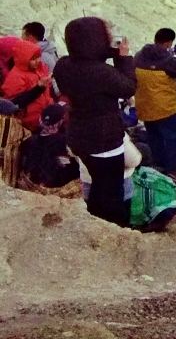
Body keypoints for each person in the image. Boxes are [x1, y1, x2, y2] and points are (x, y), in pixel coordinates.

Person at [53, 16, 136, 226]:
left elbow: (87, 60)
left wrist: (110, 52)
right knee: (112, 191)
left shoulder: (63, 65)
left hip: (79, 135)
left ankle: (94, 222)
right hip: (104, 139)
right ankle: (114, 230)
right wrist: (124, 58)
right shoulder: (101, 73)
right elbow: (128, 87)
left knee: (99, 184)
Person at [133, 28, 176, 176]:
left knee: (154, 136)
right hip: (164, 107)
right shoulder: (166, 60)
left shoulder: (139, 56)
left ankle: (158, 163)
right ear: (168, 42)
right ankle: (175, 166)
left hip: (145, 105)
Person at [18, 102, 79, 190]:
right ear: (61, 121)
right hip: (55, 186)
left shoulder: (28, 141)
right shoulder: (65, 142)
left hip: (31, 182)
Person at [1, 39, 54, 132]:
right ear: (23, 58)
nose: (37, 61)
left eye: (38, 57)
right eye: (33, 59)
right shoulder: (15, 76)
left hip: (44, 115)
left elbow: (47, 93)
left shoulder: (40, 69)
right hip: (28, 122)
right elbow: (13, 103)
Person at [21, 22, 60, 89]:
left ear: (30, 37)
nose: (21, 39)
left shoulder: (40, 56)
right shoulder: (49, 49)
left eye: (23, 36)